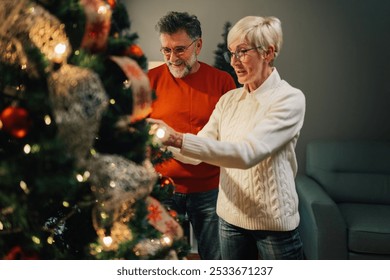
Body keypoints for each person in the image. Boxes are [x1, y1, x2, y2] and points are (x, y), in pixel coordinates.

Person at [149, 15, 306, 260]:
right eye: (231, 54)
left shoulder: (289, 99)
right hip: (229, 218)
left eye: (242, 52)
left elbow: (248, 154)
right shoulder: (230, 100)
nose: (234, 62)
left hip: (272, 224)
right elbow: (197, 152)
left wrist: (177, 138)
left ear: (268, 52)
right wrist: (163, 139)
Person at [147, 11, 236, 260]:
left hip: (210, 190)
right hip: (162, 190)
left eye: (180, 49)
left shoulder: (222, 81)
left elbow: (229, 139)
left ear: (198, 44)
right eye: (166, 50)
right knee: (163, 261)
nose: (172, 58)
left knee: (216, 261)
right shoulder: (149, 81)